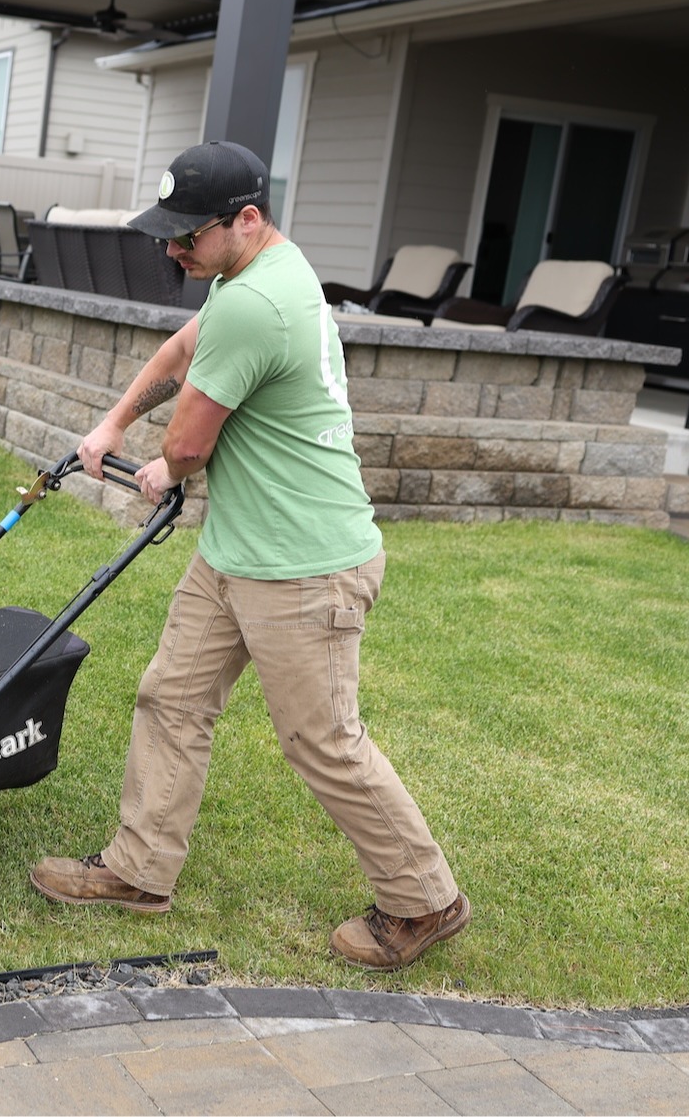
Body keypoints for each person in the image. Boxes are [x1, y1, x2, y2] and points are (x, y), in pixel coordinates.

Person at [28, 140, 468, 971]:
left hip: (303, 563)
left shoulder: (257, 302)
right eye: (168, 235)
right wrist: (113, 424)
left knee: (320, 739)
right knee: (172, 697)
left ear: (246, 219)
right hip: (237, 549)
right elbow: (182, 350)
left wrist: (160, 465)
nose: (172, 249)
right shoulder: (255, 273)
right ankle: (136, 870)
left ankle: (422, 900)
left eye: (185, 236)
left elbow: (189, 445)